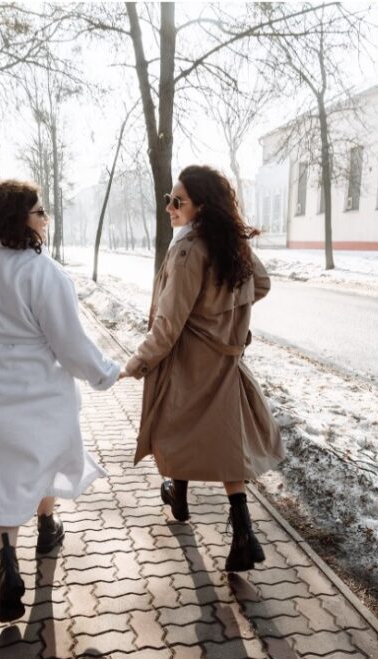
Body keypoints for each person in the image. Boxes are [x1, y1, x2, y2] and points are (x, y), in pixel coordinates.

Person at [0, 179, 120, 623]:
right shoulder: (42, 272)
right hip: (41, 385)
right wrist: (105, 372)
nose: (44, 219)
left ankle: (8, 558)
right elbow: (69, 342)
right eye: (39, 212)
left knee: (0, 470)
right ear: (19, 218)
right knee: (43, 458)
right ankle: (46, 528)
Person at [121, 165, 284, 572]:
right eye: (168, 200)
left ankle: (180, 500)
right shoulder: (231, 244)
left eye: (178, 202)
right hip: (224, 363)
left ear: (201, 207)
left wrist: (137, 362)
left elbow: (169, 322)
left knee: (174, 426)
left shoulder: (188, 249)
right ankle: (241, 532)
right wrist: (224, 311)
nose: (169, 208)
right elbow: (259, 284)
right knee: (225, 443)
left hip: (189, 361)